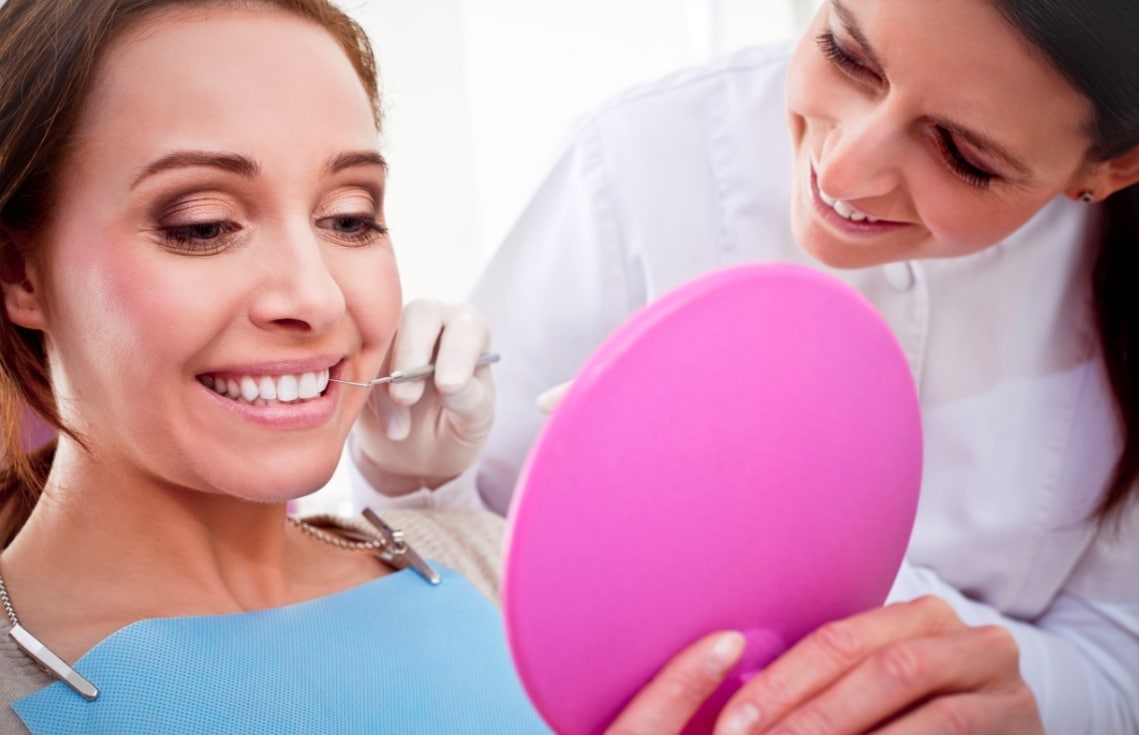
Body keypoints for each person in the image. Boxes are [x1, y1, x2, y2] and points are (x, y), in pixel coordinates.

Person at [353, 0, 1139, 732]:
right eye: (846, 54)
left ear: (1108, 171)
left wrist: (1010, 695)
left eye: (962, 153)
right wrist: (409, 478)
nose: (841, 172)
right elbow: (460, 576)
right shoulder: (637, 162)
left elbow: (1120, 653)